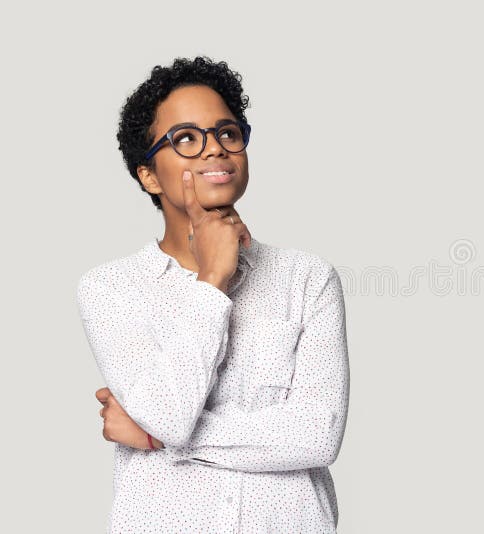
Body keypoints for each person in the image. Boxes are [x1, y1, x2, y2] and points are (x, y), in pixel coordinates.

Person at [76, 56, 349, 533]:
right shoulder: (110, 290)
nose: (214, 150)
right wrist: (213, 279)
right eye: (185, 138)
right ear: (149, 176)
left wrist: (157, 438)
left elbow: (317, 435)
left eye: (227, 132)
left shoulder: (307, 279)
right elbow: (167, 414)